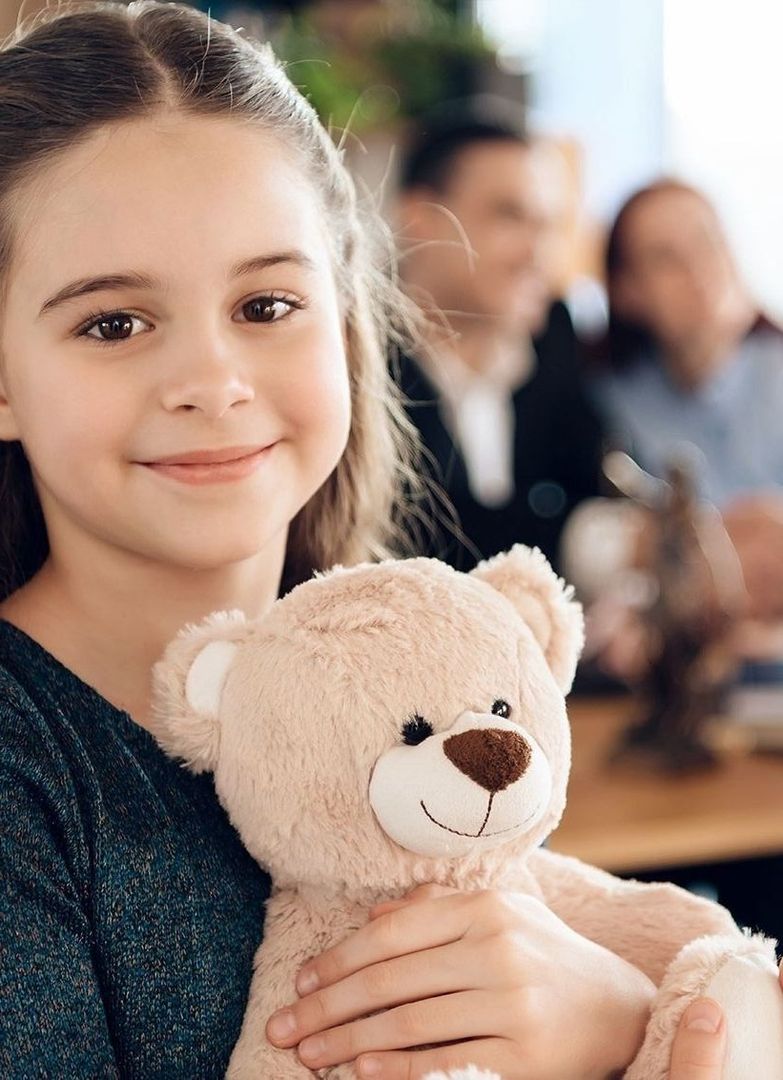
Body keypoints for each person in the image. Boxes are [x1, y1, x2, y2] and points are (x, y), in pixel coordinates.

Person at [0, 4, 745, 1078]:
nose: (214, 381)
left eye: (266, 304)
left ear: (346, 321)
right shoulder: (31, 772)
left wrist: (624, 1017)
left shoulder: (415, 665)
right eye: (112, 323)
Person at [395, 103, 605, 572]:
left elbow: (593, 485)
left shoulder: (555, 336)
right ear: (420, 217)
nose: (538, 253)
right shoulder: (354, 361)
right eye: (510, 216)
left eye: (548, 225)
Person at [588, 178, 783, 622]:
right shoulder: (606, 400)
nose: (698, 270)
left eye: (707, 242)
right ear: (626, 290)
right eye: (665, 258)